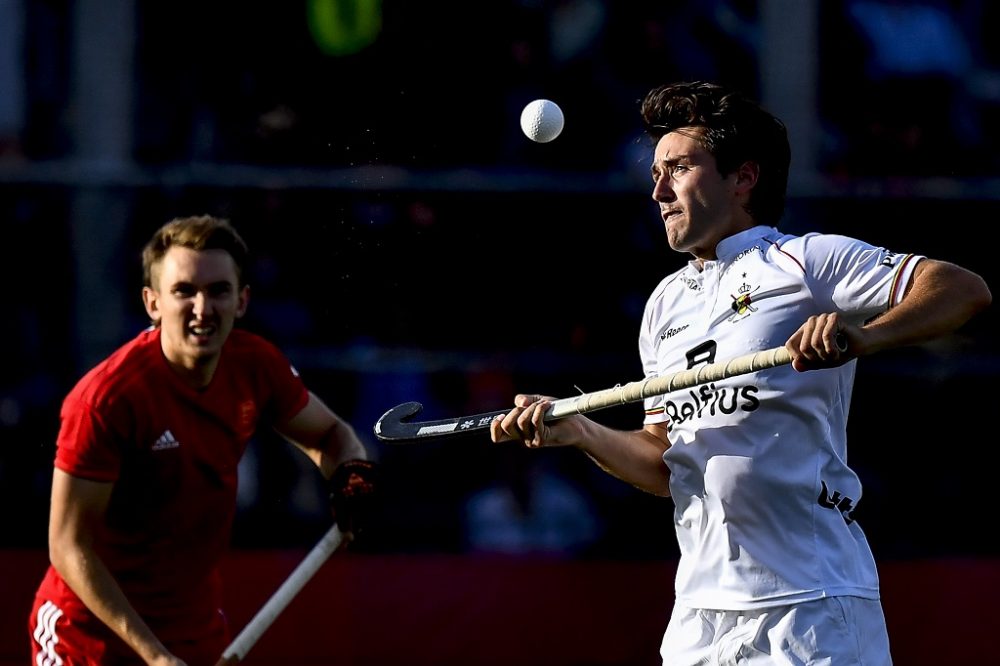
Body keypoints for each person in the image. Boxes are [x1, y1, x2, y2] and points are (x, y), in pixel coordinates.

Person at [490, 81, 991, 665]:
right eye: (655, 172)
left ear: (743, 178)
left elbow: (961, 289)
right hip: (698, 618)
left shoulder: (807, 260)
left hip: (811, 606)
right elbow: (663, 460)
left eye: (677, 168)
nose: (657, 190)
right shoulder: (664, 305)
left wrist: (863, 337)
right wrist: (581, 433)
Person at [28, 215, 379, 664]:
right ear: (152, 303)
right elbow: (67, 544)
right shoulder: (106, 400)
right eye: (184, 292)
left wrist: (352, 481)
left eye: (218, 291)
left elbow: (332, 435)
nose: (202, 308)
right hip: (88, 636)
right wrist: (153, 656)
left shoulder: (256, 366)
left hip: (192, 631)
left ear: (242, 300)